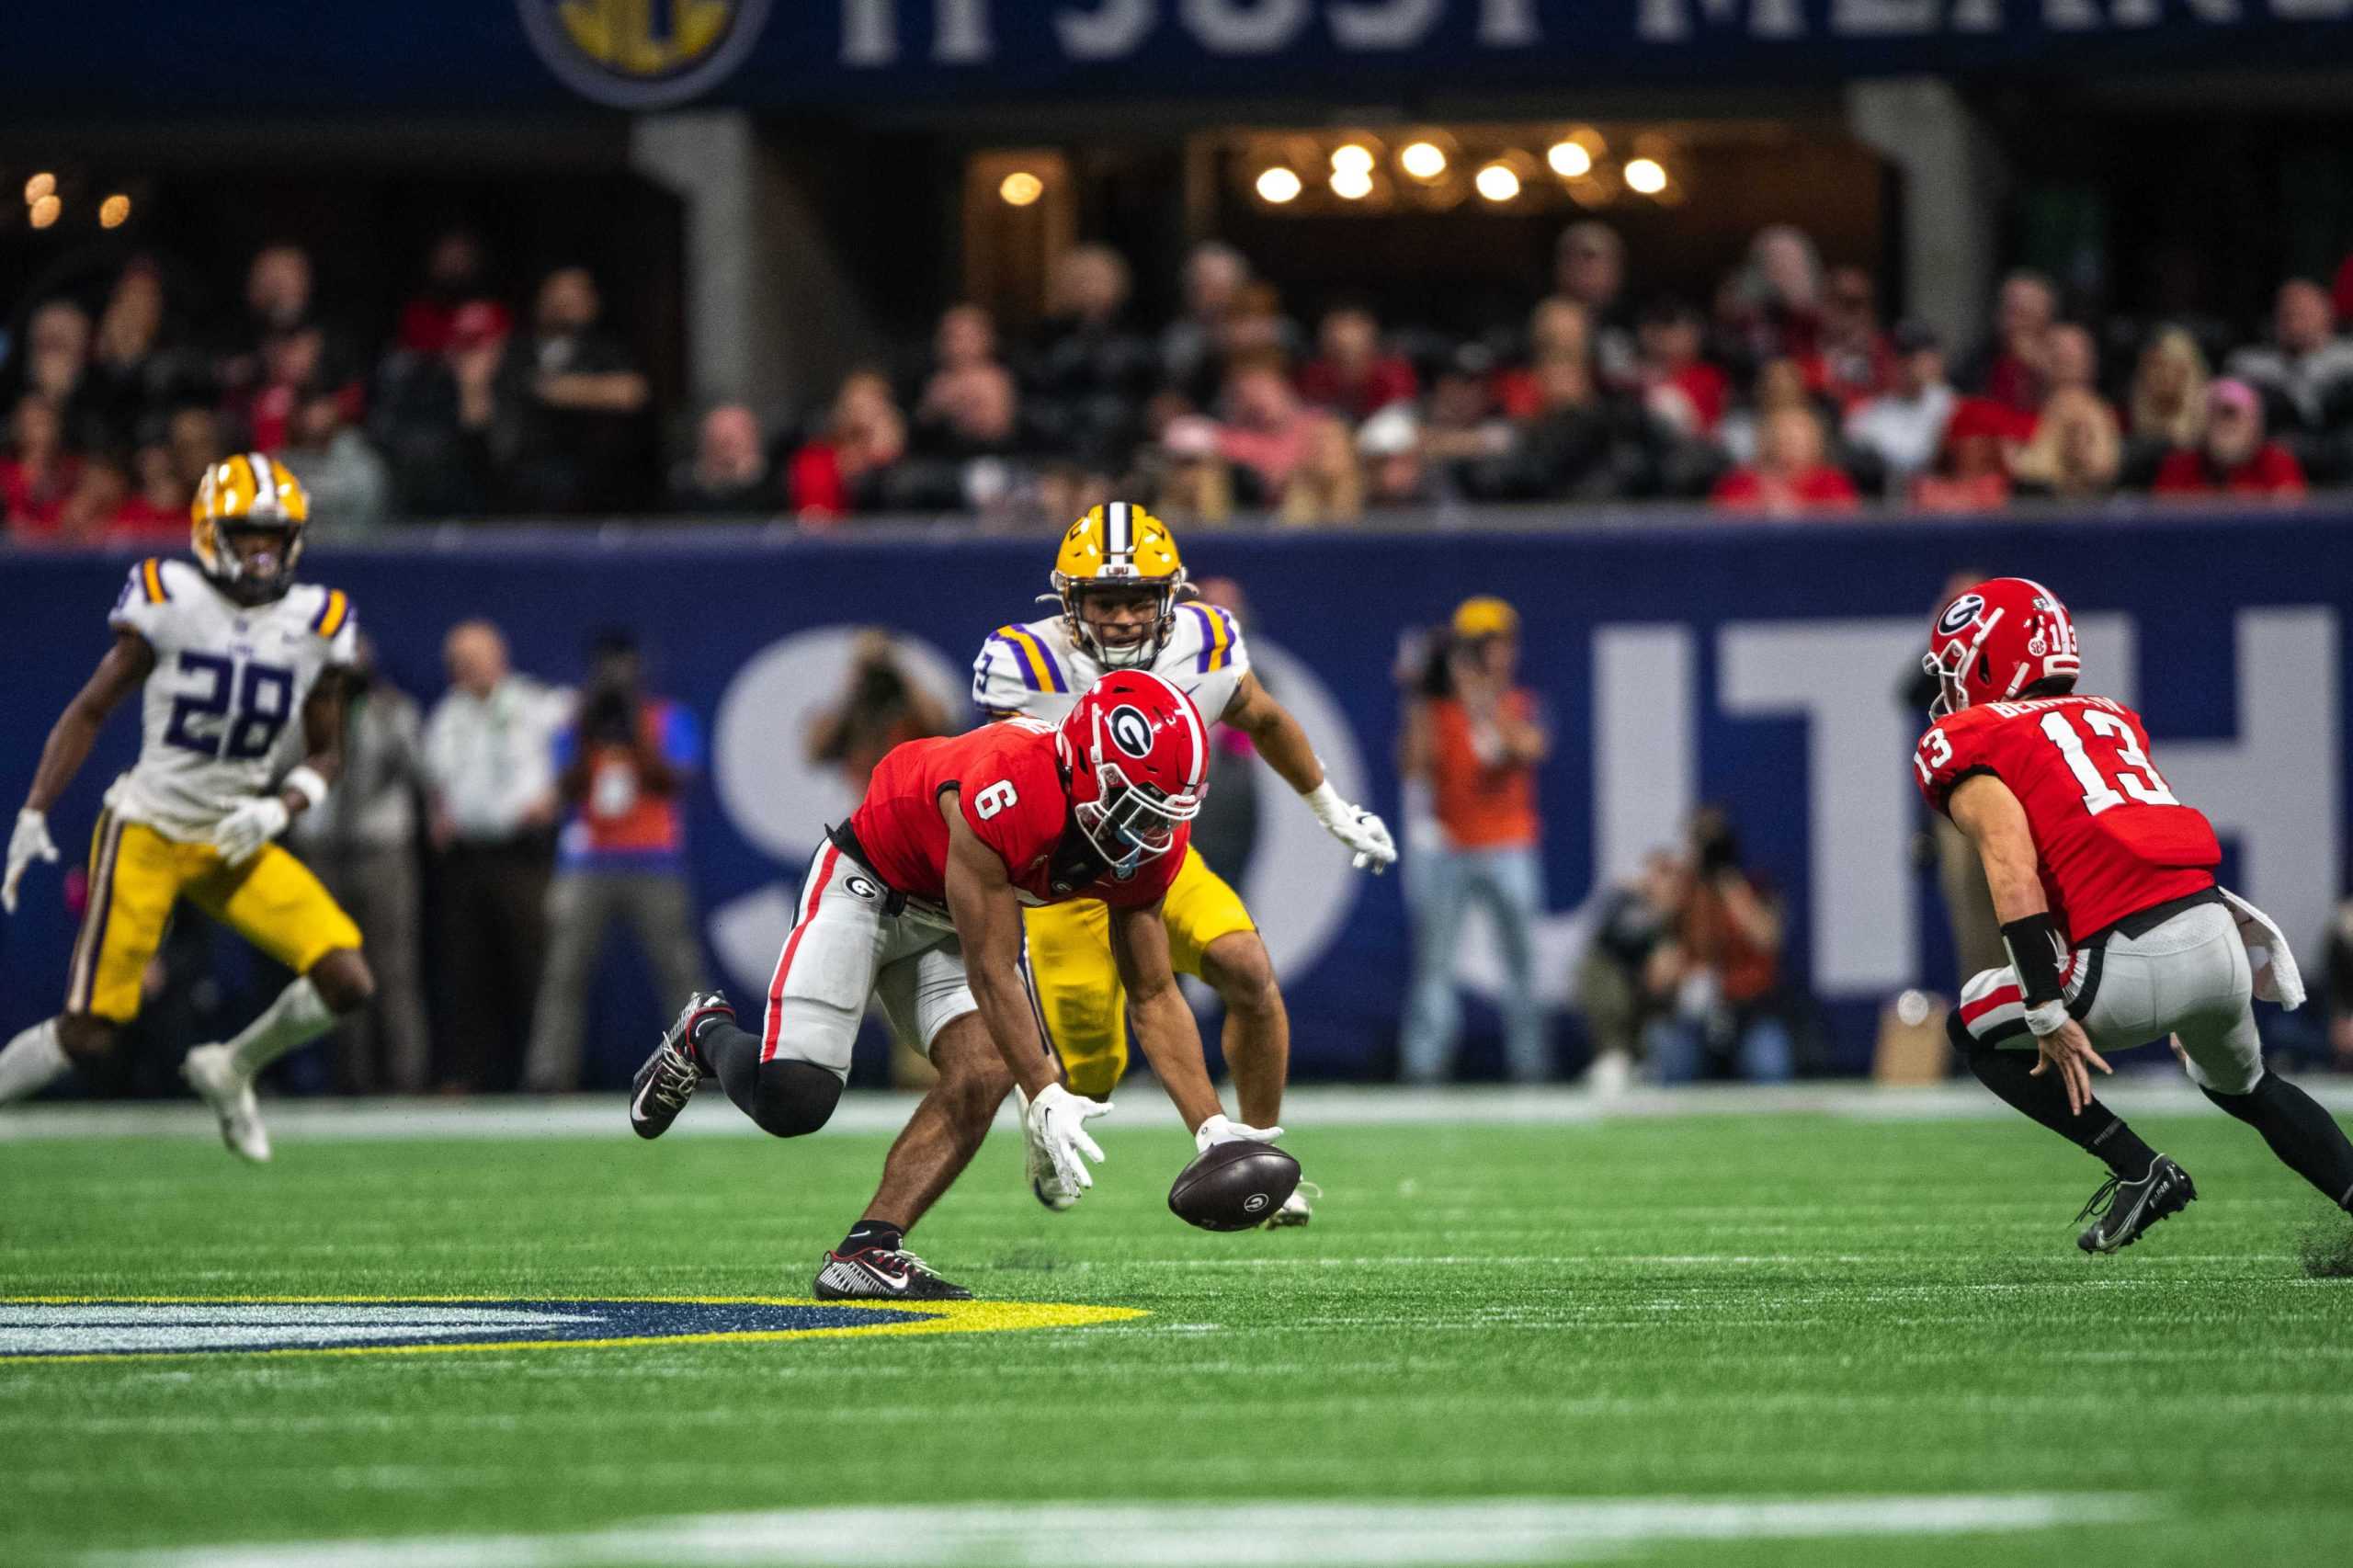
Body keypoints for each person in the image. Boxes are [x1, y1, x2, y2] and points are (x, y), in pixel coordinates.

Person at [629, 671, 1277, 1300]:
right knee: (794, 1101)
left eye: (1163, 814)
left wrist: (1212, 1127)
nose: (1150, 834)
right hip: (871, 881)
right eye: (1135, 810)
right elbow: (991, 969)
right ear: (1086, 771)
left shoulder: (1149, 838)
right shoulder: (1006, 789)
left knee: (987, 1067)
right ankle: (702, 1033)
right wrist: (1046, 1090)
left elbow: (1153, 993)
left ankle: (868, 1249)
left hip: (950, 910)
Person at [969, 506, 1394, 1224]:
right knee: (1092, 1075)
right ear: (1070, 601)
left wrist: (1331, 806)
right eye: (1106, 600)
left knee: (1249, 972)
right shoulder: (1022, 663)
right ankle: (1045, 1121)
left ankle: (1255, 1161)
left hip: (1159, 859)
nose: (1125, 618)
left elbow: (1261, 716)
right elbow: (1001, 792)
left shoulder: (1207, 641)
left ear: (1173, 596)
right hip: (1066, 881)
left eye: (1140, 599)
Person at [1914, 577, 2353, 1252]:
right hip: (2212, 931)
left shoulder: (1973, 738)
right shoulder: (2109, 718)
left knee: (1970, 1028)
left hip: (2125, 958)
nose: (1949, 687)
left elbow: (2011, 866)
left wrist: (2045, 1011)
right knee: (2251, 1087)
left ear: (1992, 661)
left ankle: (2138, 1168)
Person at [0, 456, 375, 1157]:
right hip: (148, 826)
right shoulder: (169, 597)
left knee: (346, 978)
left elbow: (328, 753)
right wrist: (34, 810)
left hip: (234, 835)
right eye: (247, 532)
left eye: (276, 534)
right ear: (209, 532)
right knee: (88, 1032)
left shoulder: (318, 621)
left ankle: (232, 1067)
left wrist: (283, 806)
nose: (264, 549)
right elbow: (89, 711)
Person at [522, 632, 707, 1094]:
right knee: (565, 971)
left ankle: (701, 1063)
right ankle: (550, 1074)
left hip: (655, 860)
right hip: (588, 859)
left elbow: (674, 779)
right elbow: (565, 786)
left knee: (679, 969)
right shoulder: (578, 722)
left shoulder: (666, 718)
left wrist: (634, 731)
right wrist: (590, 729)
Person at [1398, 597, 1550, 1084]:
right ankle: (1425, 1067)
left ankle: (1531, 1065)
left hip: (1510, 845)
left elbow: (1525, 748)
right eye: (1476, 647)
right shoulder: (1440, 710)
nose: (1486, 655)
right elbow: (1413, 767)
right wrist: (1419, 696)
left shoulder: (1518, 703)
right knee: (1435, 967)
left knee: (1522, 963)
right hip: (1451, 847)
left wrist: (1480, 696)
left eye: (1492, 644)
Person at [284, 635, 432, 1095]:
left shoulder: (394, 711)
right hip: (324, 850)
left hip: (381, 850)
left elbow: (420, 773)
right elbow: (280, 768)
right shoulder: (304, 710)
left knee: (394, 969)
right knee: (336, 970)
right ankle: (348, 1079)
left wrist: (382, 718)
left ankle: (407, 1078)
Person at [422, 619, 563, 1092]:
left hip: (521, 853)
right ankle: (465, 1074)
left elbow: (576, 749)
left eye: (478, 658)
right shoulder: (447, 715)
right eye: (461, 661)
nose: (471, 668)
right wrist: (438, 813)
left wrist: (554, 796)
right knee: (464, 969)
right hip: (465, 858)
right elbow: (435, 777)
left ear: (500, 658)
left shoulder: (537, 704)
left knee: (534, 964)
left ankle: (544, 1074)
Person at [1646, 810, 1796, 1085]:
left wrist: (1730, 885)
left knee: (1770, 1067)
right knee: (1669, 1053)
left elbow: (1768, 939)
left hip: (1750, 1014)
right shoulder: (1682, 896)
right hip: (1693, 1018)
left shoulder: (1754, 888)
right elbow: (1657, 977)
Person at [807, 631, 951, 793]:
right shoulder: (851, 719)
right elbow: (814, 751)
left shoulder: (910, 715)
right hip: (868, 808)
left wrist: (897, 669)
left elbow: (941, 724)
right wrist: (853, 685)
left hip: (911, 803)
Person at [2152, 379, 2307, 499]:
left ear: (2255, 424)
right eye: (2217, 415)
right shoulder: (2178, 466)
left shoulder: (2278, 463)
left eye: (2234, 415)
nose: (2226, 425)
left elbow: (2289, 522)